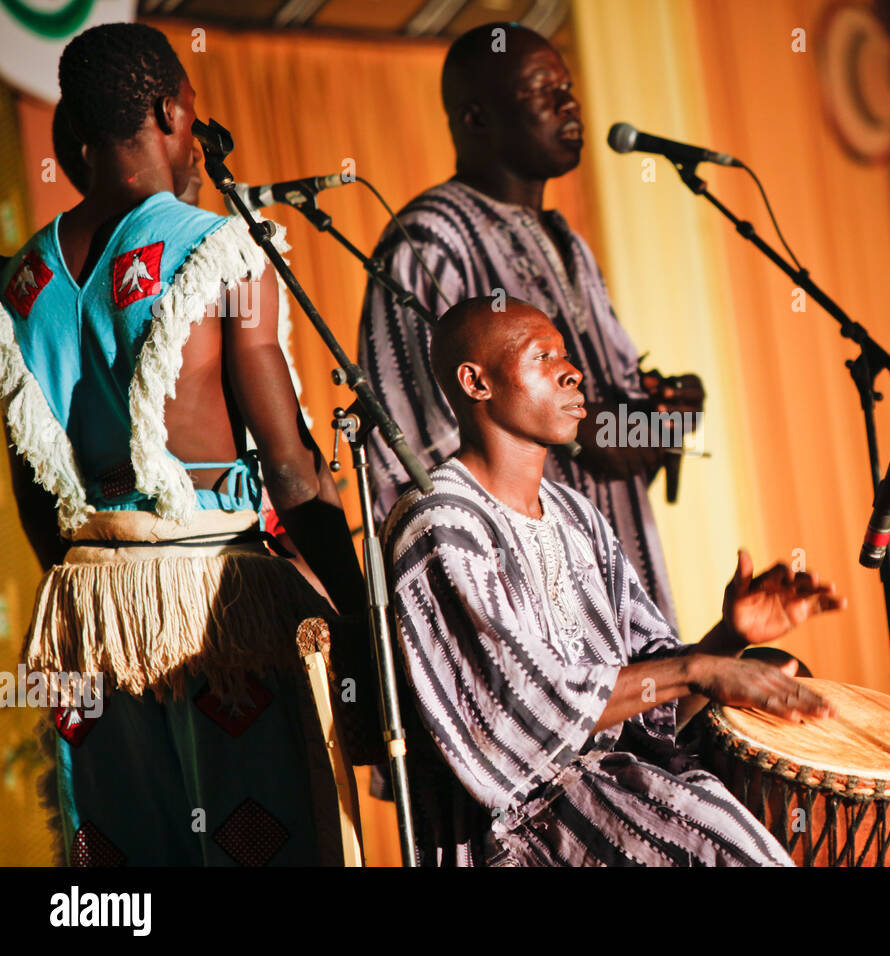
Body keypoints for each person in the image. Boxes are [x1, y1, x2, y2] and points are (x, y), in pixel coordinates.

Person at [1, 23, 366, 865]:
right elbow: (289, 465)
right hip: (213, 606)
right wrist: (356, 629)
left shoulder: (22, 279)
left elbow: (32, 486)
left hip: (89, 612)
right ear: (170, 111)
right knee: (258, 841)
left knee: (124, 865)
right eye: (192, 109)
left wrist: (89, 582)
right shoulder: (221, 247)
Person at [384, 296, 845, 866]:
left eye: (567, 354)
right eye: (543, 356)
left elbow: (657, 710)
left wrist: (727, 639)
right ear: (476, 382)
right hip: (527, 832)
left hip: (623, 796)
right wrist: (698, 667)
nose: (572, 370)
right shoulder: (438, 522)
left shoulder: (577, 516)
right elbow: (514, 716)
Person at [359, 22, 700, 632]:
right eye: (542, 91)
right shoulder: (429, 240)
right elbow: (411, 442)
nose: (570, 104)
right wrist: (584, 432)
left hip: (624, 587)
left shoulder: (569, 241)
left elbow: (617, 431)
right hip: (527, 614)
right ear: (475, 118)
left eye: (568, 87)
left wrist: (664, 416)